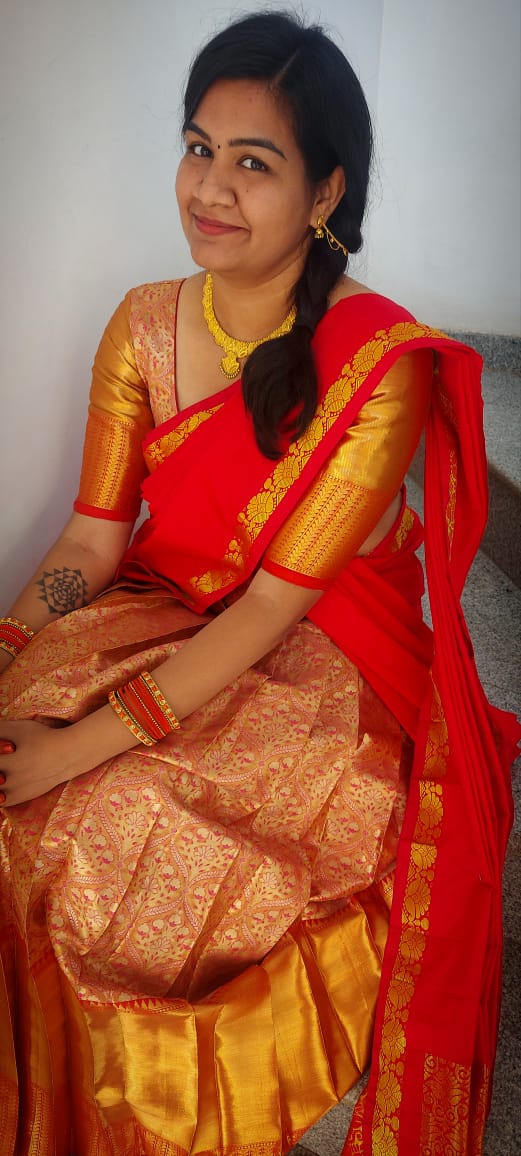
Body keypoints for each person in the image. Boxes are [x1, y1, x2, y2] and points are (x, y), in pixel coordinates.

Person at [0, 10, 518, 1156]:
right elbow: (91, 541)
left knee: (106, 833)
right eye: (198, 148)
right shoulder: (142, 324)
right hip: (163, 608)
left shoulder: (374, 366)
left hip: (320, 658)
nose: (209, 188)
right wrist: (5, 646)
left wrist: (77, 749)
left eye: (253, 162)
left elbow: (276, 604)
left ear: (324, 191)